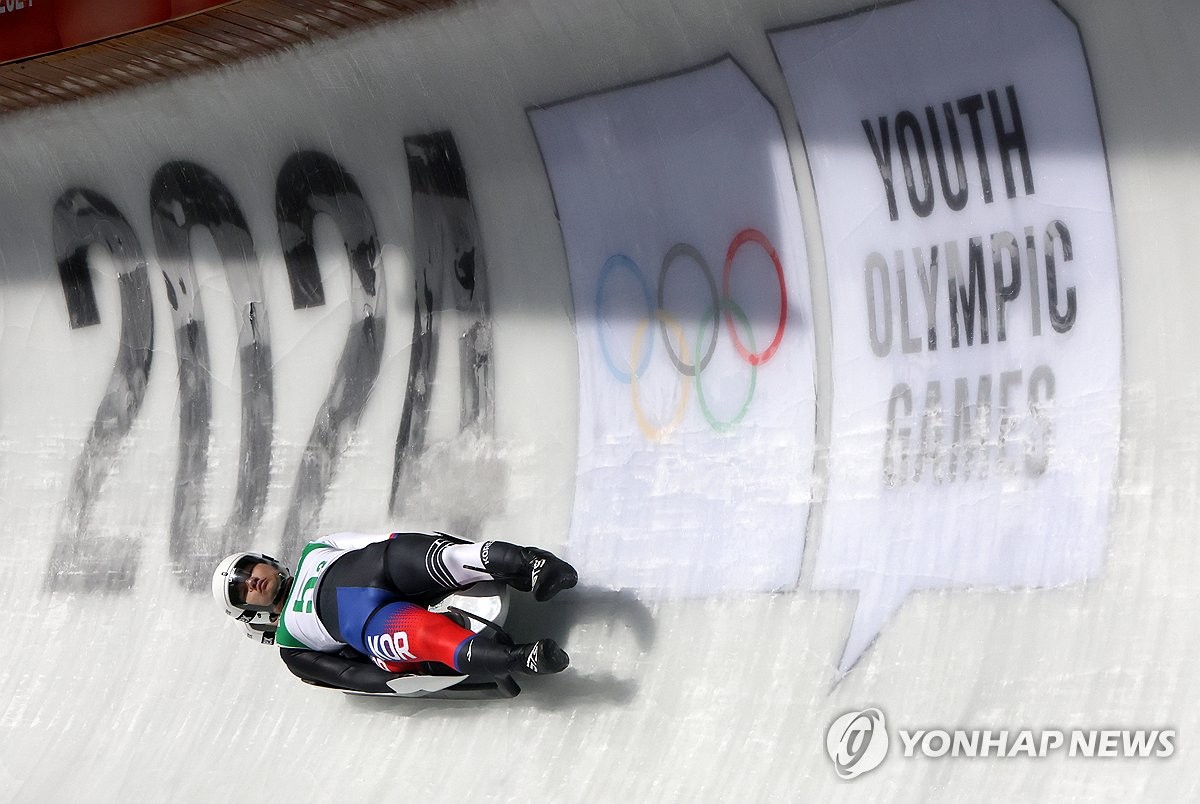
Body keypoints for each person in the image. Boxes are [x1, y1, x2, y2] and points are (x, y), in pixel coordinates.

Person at [212, 530, 577, 694]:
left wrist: (433, 543)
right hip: (374, 622)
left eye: (248, 569)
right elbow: (350, 676)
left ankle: (535, 565)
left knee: (447, 558)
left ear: (265, 561)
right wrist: (404, 681)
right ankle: (520, 657)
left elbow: (383, 538)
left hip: (383, 564)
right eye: (240, 588)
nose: (250, 581)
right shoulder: (291, 646)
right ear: (248, 612)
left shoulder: (316, 546)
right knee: (424, 636)